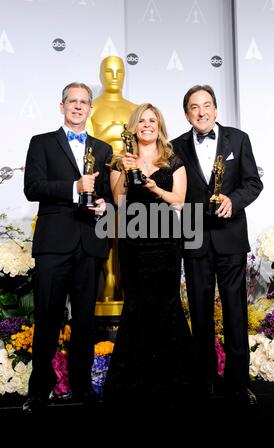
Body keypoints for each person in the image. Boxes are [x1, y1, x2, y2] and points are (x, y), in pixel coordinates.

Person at [23, 82, 112, 412]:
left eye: (84, 102)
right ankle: (38, 390)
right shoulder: (42, 143)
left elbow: (108, 198)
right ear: (61, 106)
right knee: (46, 317)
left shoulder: (102, 150)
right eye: (72, 101)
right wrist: (73, 187)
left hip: (89, 244)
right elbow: (32, 187)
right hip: (53, 245)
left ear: (91, 109)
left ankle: (81, 388)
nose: (78, 106)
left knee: (86, 321)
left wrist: (104, 207)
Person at [171, 85, 263, 405]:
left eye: (207, 105)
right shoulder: (174, 147)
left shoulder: (238, 139)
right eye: (194, 107)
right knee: (199, 312)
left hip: (230, 238)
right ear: (187, 114)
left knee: (235, 312)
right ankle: (206, 379)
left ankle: (238, 383)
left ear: (216, 109)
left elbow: (253, 182)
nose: (202, 112)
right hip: (194, 239)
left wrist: (233, 201)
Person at [103, 103, 195, 406]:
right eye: (141, 121)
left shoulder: (173, 159)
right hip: (133, 242)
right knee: (137, 304)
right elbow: (118, 201)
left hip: (167, 242)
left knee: (167, 304)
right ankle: (133, 380)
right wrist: (127, 172)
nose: (146, 125)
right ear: (134, 126)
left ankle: (174, 378)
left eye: (152, 120)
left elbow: (179, 201)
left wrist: (156, 189)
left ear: (159, 125)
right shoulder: (121, 160)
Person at [87, 55, 137, 303]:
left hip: (130, 177)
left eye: (119, 71)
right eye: (109, 72)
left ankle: (125, 284)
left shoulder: (134, 109)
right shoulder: (91, 107)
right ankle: (107, 284)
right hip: (100, 175)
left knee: (130, 230)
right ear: (100, 75)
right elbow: (86, 143)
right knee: (105, 230)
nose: (115, 76)